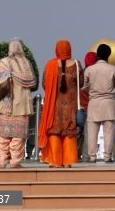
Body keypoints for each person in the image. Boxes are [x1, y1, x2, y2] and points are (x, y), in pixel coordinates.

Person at [0, 38, 37, 169]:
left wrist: (7, 75)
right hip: (21, 106)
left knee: (2, 136)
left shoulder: (3, 62)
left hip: (4, 105)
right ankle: (15, 161)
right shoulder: (26, 64)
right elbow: (33, 82)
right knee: (18, 136)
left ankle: (2, 161)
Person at [39, 39, 82, 168]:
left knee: (54, 131)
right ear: (70, 49)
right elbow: (82, 83)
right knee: (69, 131)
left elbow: (45, 84)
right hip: (71, 104)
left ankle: (55, 161)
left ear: (57, 50)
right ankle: (68, 161)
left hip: (54, 105)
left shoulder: (50, 65)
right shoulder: (76, 64)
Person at [83, 43, 115, 163]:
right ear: (108, 55)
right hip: (109, 103)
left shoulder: (89, 69)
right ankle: (107, 156)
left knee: (92, 132)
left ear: (97, 55)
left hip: (94, 102)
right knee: (109, 132)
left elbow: (84, 86)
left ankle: (92, 156)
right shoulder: (113, 69)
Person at [77, 52, 97, 161]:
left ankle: (74, 154)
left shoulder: (81, 73)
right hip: (91, 107)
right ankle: (85, 156)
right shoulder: (95, 74)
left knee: (77, 133)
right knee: (89, 134)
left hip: (79, 107)